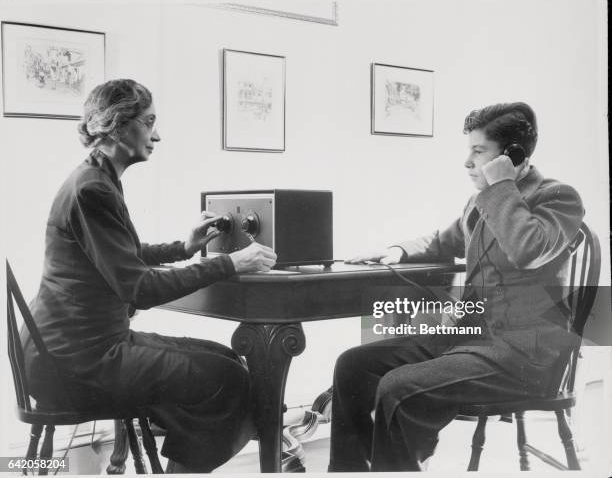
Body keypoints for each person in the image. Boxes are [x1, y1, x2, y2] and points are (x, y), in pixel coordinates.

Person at [20, 79, 277, 473]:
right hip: (76, 364)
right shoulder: (93, 189)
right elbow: (138, 288)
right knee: (227, 378)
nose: (156, 135)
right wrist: (231, 263)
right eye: (149, 121)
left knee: (226, 357)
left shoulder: (94, 179)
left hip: (66, 350)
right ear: (119, 125)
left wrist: (183, 248)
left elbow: (116, 257)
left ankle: (187, 447)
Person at [328, 102, 584, 471]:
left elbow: (528, 249)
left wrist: (501, 186)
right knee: (353, 365)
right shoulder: (482, 202)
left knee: (398, 386)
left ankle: (393, 467)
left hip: (525, 356)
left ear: (512, 156)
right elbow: (443, 241)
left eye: (478, 152)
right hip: (472, 338)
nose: (467, 162)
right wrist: (396, 250)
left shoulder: (557, 197)